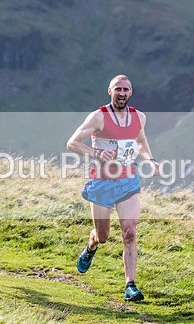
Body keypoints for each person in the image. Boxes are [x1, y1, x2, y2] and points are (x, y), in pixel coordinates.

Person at [66, 74, 158, 301]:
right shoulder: (98, 117)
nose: (122, 93)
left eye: (126, 90)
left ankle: (130, 286)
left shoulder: (139, 117)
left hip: (128, 181)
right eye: (118, 89)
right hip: (102, 182)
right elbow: (72, 143)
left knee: (130, 232)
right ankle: (91, 244)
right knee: (103, 235)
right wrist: (96, 153)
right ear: (110, 91)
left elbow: (140, 141)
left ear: (131, 93)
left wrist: (150, 159)